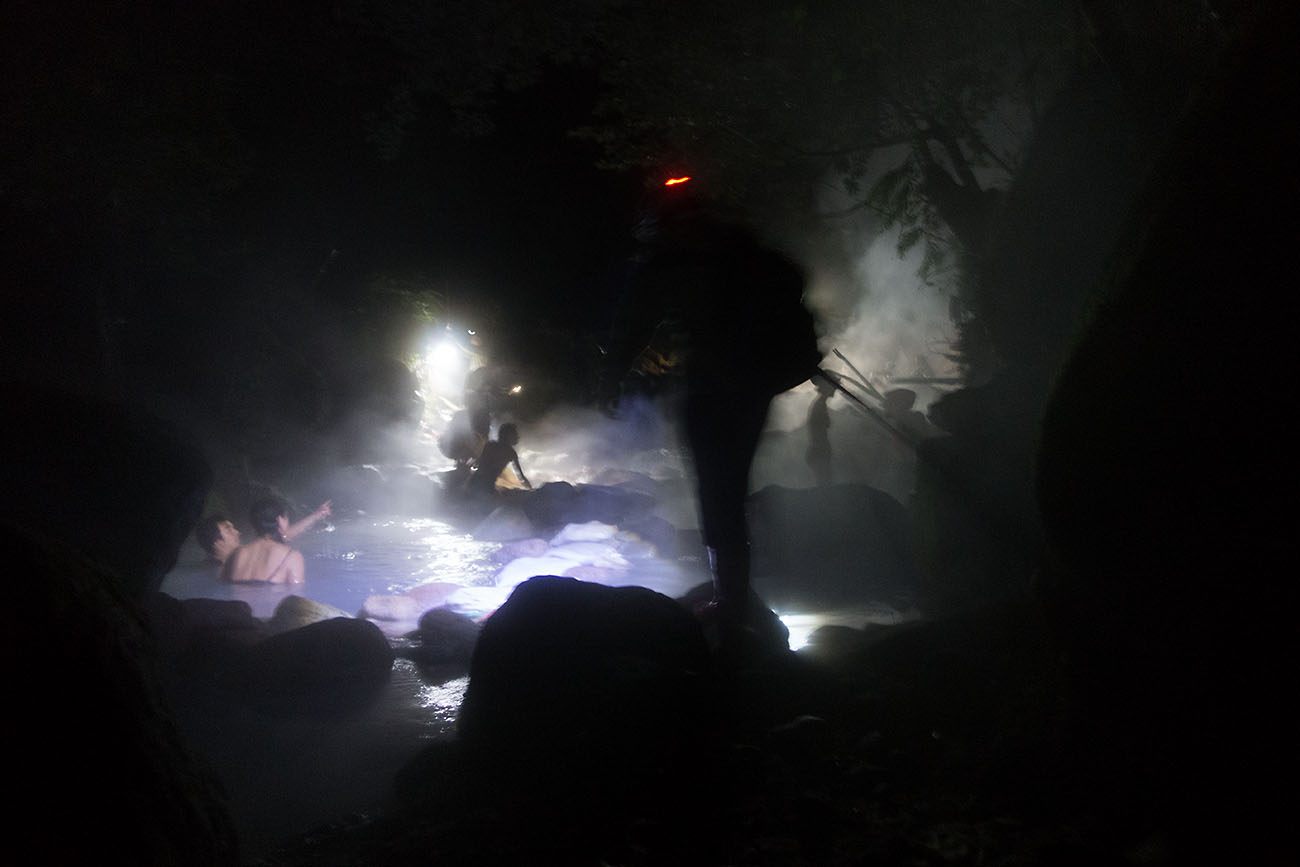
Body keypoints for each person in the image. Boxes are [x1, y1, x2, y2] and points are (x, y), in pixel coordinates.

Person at [599, 175, 823, 630]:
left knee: (716, 489)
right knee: (730, 486)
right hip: (755, 384)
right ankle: (736, 598)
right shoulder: (741, 250)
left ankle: (730, 604)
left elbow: (634, 322)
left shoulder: (670, 260)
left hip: (711, 386)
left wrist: (609, 378)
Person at [219, 496, 323, 583]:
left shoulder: (235, 555)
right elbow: (296, 597)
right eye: (286, 518)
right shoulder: (291, 557)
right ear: (280, 520)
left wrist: (316, 516)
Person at [195, 499, 331, 566]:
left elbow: (281, 536)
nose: (237, 532)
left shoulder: (242, 556)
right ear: (217, 543)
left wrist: (316, 515)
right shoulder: (217, 569)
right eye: (228, 530)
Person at [465, 422, 532, 496]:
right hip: (486, 487)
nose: (518, 437)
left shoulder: (490, 445)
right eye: (515, 434)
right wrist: (531, 490)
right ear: (509, 436)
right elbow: (521, 477)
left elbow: (479, 463)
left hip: (474, 482)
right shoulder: (511, 453)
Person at [805, 372, 837, 487]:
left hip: (819, 450)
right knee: (824, 484)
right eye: (833, 386)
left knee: (824, 483)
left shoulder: (820, 404)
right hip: (819, 451)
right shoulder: (819, 405)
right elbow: (820, 428)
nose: (835, 389)